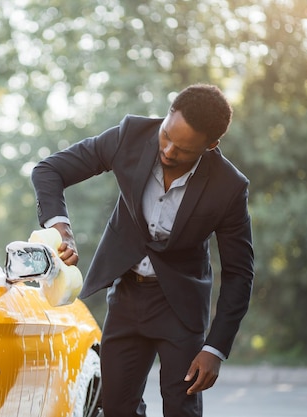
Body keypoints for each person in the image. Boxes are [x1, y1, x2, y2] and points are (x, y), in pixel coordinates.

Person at [31, 84, 254, 417]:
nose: (167, 151)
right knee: (118, 408)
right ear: (167, 116)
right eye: (166, 136)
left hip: (180, 305)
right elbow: (49, 170)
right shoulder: (130, 136)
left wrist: (215, 347)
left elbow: (239, 272)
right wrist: (59, 225)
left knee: (182, 409)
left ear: (210, 145)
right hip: (127, 297)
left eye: (183, 149)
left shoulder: (229, 187)